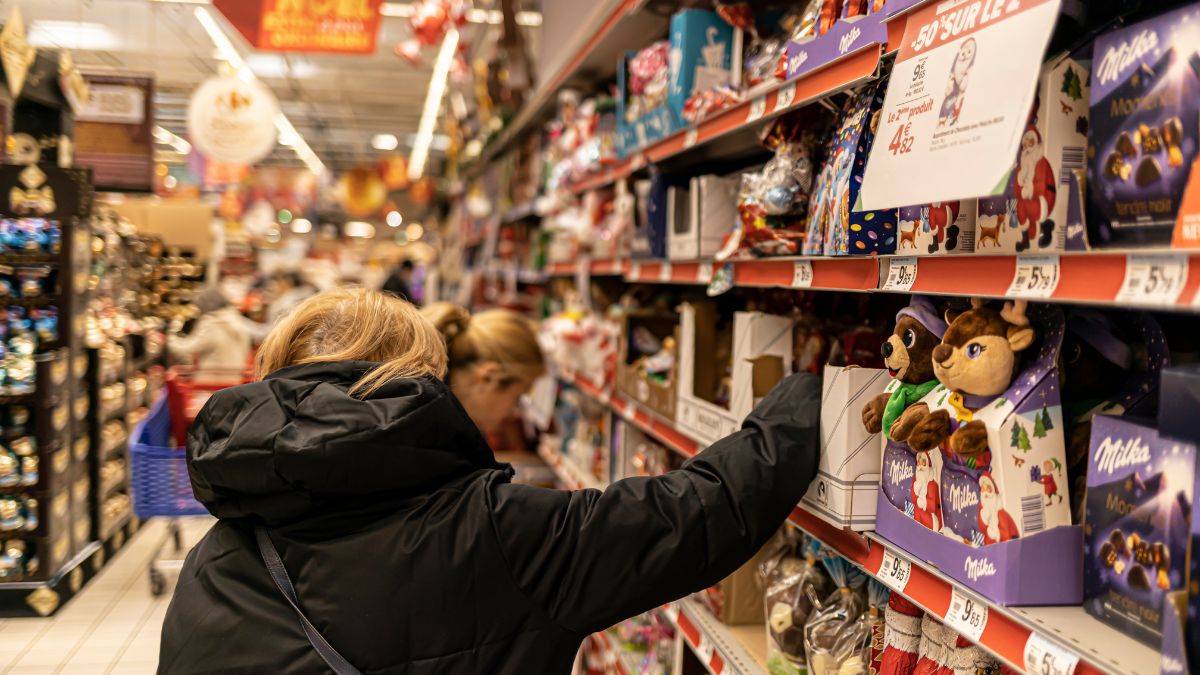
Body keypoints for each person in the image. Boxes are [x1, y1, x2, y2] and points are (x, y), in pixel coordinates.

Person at [159, 288, 821, 674]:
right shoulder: (500, 532)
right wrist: (814, 387)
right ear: (421, 380)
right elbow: (699, 512)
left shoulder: (212, 561)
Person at [421, 302, 544, 433]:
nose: (513, 413)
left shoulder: (430, 407)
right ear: (488, 377)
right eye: (517, 398)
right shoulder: (431, 433)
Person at [168, 286, 252, 383]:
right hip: (234, 381)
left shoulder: (212, 323)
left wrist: (172, 333)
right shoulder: (237, 320)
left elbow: (185, 349)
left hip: (210, 384)